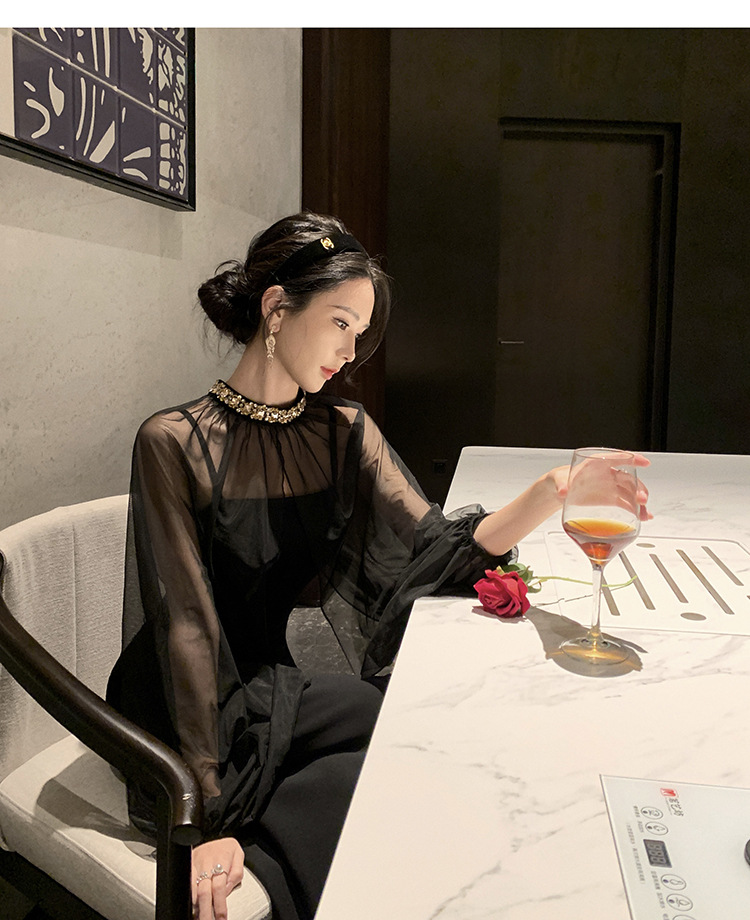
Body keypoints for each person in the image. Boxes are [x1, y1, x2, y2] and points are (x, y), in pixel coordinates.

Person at [107, 211, 650, 920]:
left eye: (359, 332)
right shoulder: (172, 441)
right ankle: (276, 867)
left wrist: (552, 491)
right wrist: (208, 821)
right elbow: (186, 625)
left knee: (413, 728)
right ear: (276, 307)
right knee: (372, 770)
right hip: (183, 701)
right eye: (339, 323)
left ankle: (301, 856)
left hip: (270, 680)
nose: (350, 350)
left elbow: (434, 544)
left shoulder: (341, 431)